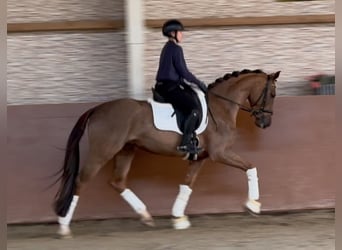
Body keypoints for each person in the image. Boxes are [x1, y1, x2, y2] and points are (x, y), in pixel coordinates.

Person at [154, 19, 208, 157]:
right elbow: (184, 72)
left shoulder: (167, 47)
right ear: (173, 33)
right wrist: (199, 83)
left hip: (165, 86)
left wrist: (187, 84)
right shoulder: (176, 49)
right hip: (170, 88)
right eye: (180, 32)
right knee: (194, 110)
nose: (182, 35)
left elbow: (177, 74)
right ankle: (185, 142)